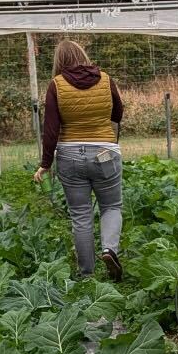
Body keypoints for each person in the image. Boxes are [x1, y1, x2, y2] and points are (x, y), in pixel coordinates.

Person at [35, 37, 125, 279]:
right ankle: (109, 249)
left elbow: (51, 129)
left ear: (59, 61)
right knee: (111, 206)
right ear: (83, 55)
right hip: (104, 152)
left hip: (70, 155)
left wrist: (45, 164)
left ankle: (86, 274)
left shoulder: (56, 85)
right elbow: (118, 112)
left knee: (81, 213)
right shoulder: (106, 79)